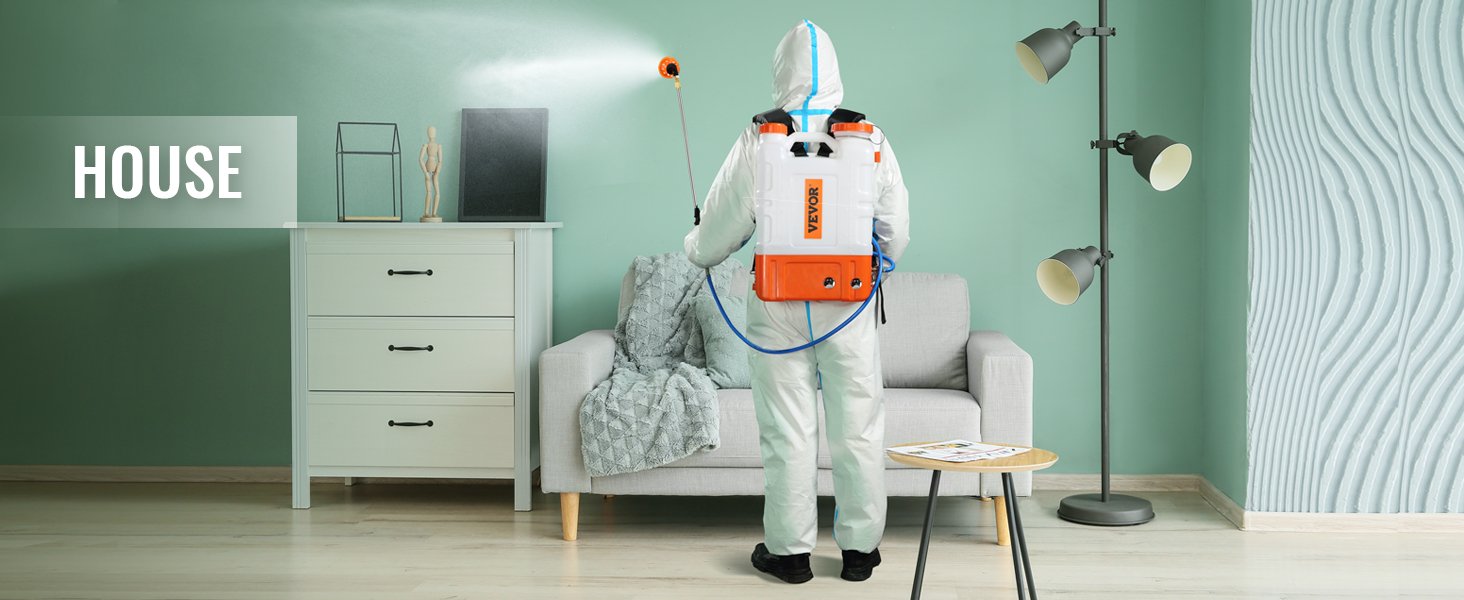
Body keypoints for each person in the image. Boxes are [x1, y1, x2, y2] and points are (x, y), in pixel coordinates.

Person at [684, 20, 910, 584]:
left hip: (777, 305)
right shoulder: (867, 137)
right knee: (859, 428)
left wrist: (697, 245)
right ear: (834, 71)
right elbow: (896, 232)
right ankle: (860, 552)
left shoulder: (761, 136)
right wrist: (876, 260)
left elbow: (718, 231)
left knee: (787, 431)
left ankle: (788, 556)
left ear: (781, 71)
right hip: (849, 303)